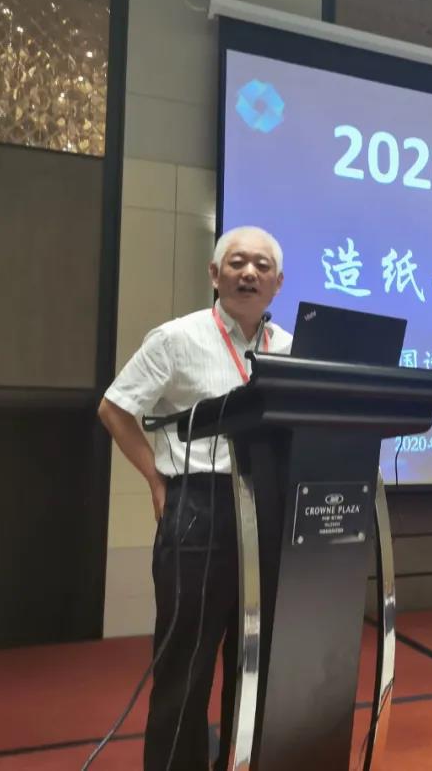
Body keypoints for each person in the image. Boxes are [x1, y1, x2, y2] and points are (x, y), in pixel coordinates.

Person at [98, 226, 291, 770]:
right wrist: (157, 482)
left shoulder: (290, 349)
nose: (249, 273)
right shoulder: (177, 338)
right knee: (187, 664)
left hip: (270, 510)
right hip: (201, 508)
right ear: (214, 274)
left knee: (258, 659)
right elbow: (115, 408)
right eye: (237, 263)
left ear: (278, 283)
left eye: (261, 266)